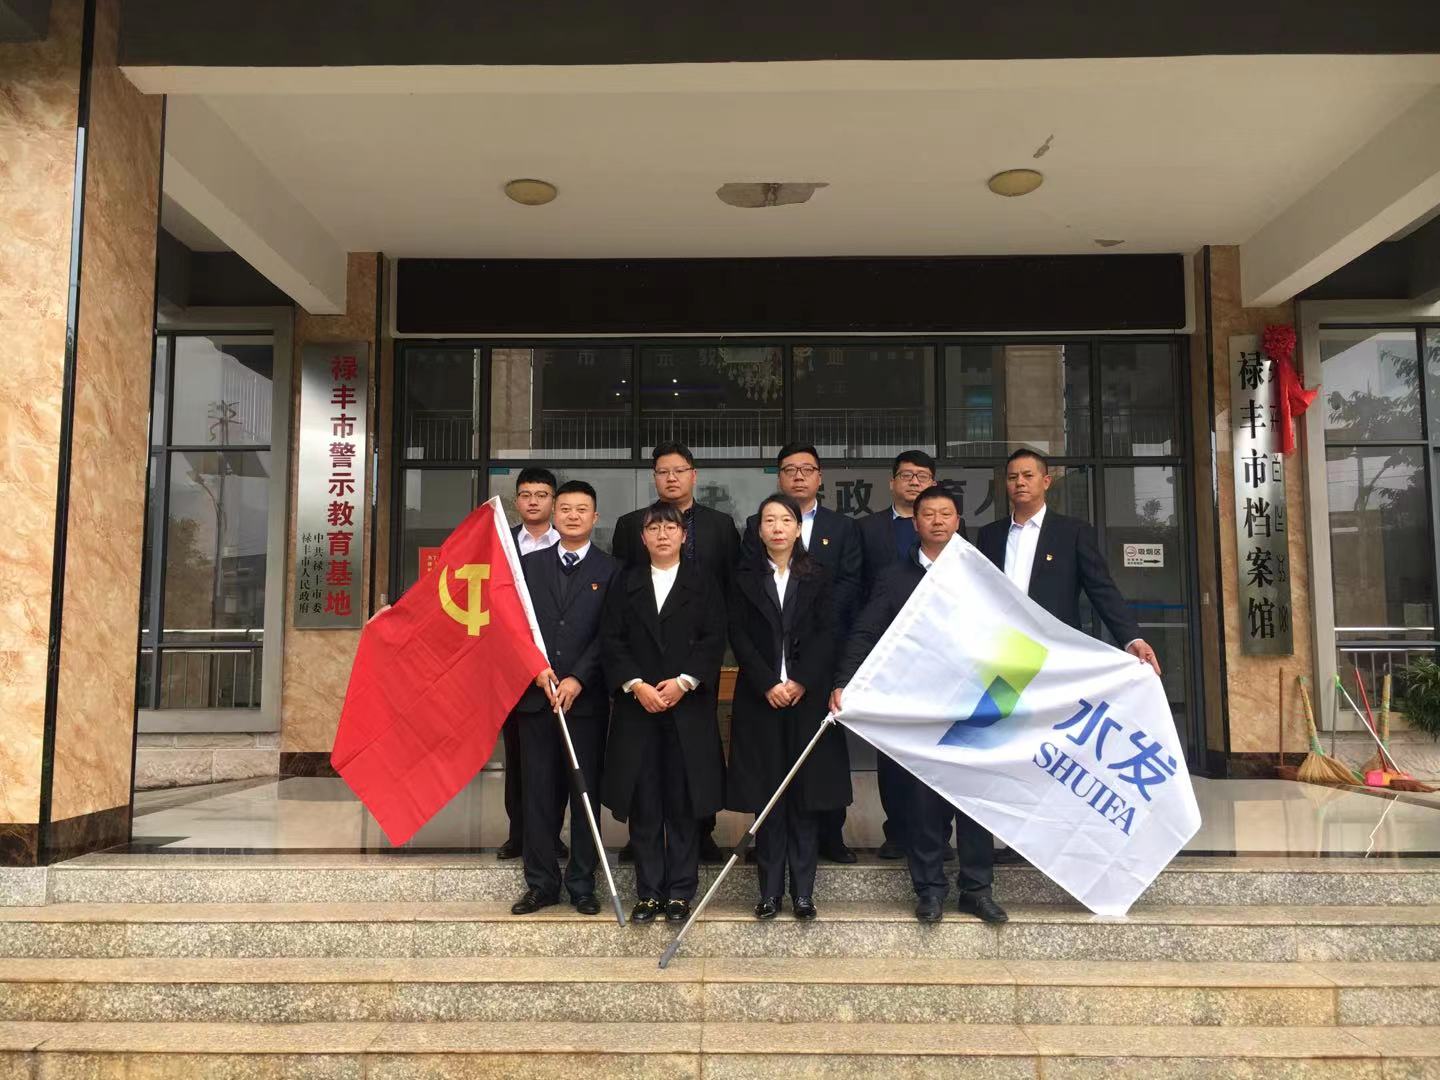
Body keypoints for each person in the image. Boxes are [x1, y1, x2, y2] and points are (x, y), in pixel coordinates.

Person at [831, 486, 1008, 926]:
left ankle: (977, 890)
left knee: (973, 803)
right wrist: (843, 682)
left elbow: (1009, 632)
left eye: (946, 513)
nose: (937, 521)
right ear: (915, 523)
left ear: (958, 520)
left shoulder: (980, 573)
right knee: (923, 805)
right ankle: (929, 890)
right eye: (929, 514)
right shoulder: (894, 576)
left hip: (973, 706)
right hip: (919, 707)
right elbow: (865, 630)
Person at [612, 441, 740, 863]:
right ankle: (642, 835)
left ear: (693, 475)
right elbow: (622, 595)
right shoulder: (631, 525)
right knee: (642, 758)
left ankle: (701, 832)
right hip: (645, 666)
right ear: (654, 477)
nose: (671, 478)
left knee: (696, 753)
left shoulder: (721, 526)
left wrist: (699, 669)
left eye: (679, 470)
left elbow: (729, 595)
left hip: (696, 667)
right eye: (663, 471)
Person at [601, 502, 727, 924]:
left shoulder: (703, 581)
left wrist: (684, 682)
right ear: (643, 537)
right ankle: (648, 892)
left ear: (683, 535)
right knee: (645, 804)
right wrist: (636, 685)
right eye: (653, 528)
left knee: (683, 803)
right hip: (638, 710)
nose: (662, 535)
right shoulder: (626, 581)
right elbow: (611, 640)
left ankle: (680, 892)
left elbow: (714, 638)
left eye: (670, 528)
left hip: (686, 709)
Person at [729, 494, 849, 921]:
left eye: (785, 520)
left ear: (798, 529)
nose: (777, 527)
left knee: (804, 795)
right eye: (769, 520)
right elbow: (738, 635)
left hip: (806, 699)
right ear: (758, 530)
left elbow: (828, 634)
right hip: (760, 699)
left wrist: (800, 680)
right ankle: (769, 893)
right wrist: (768, 682)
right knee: (768, 797)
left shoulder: (819, 575)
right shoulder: (742, 577)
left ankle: (803, 893)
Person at [742, 443, 861, 864]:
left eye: (806, 469)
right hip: (772, 661)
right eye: (789, 469)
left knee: (821, 753)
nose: (798, 476)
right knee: (770, 757)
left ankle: (831, 836)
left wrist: (815, 629)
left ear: (819, 477)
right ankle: (768, 838)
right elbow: (750, 592)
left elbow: (849, 584)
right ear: (779, 476)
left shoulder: (842, 527)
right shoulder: (755, 525)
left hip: (822, 655)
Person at [509, 482, 620, 918]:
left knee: (584, 796)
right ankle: (540, 884)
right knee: (537, 794)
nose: (573, 516)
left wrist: (578, 677)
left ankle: (582, 884)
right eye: (566, 509)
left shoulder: (611, 570)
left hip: (584, 703)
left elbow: (611, 634)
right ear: (554, 515)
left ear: (595, 518)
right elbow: (514, 626)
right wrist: (535, 668)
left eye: (582, 510)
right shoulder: (527, 566)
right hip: (536, 698)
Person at [976, 449, 1161, 675]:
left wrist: (1132, 638)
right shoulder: (990, 535)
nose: (1020, 482)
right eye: (1012, 477)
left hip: (1056, 653)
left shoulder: (1073, 532)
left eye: (1028, 475)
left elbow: (1101, 589)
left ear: (1046, 481)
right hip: (1002, 650)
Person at [852, 449, 944, 860]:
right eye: (906, 475)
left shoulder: (951, 532)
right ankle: (897, 831)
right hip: (887, 657)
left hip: (938, 659)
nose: (914, 481)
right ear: (892, 483)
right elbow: (858, 589)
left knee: (939, 749)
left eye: (922, 476)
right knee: (891, 749)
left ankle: (938, 833)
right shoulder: (867, 529)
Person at [499, 467, 567, 862]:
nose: (533, 502)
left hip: (558, 671)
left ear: (553, 502)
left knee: (557, 759)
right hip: (514, 670)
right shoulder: (502, 544)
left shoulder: (568, 543)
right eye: (526, 495)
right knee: (519, 757)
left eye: (541, 495)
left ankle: (551, 834)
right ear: (517, 501)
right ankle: (518, 833)